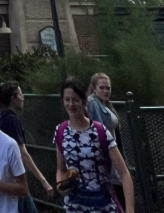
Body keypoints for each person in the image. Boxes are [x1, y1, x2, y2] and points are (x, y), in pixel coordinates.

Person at [54, 77, 134, 213]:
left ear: (84, 102)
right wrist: (61, 184)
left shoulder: (99, 131)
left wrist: (130, 209)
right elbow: (61, 169)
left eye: (75, 100)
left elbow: (124, 174)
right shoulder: (61, 131)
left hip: (102, 204)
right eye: (67, 100)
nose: (71, 104)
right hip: (75, 206)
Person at [0, 82, 53, 211]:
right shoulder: (12, 121)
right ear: (13, 98)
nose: (23, 97)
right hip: (14, 179)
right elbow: (23, 153)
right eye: (20, 94)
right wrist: (43, 181)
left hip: (4, 174)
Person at [87, 73, 124, 207]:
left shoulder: (105, 104)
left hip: (114, 153)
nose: (105, 91)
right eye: (102, 88)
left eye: (108, 88)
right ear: (94, 88)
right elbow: (100, 133)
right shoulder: (93, 103)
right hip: (107, 158)